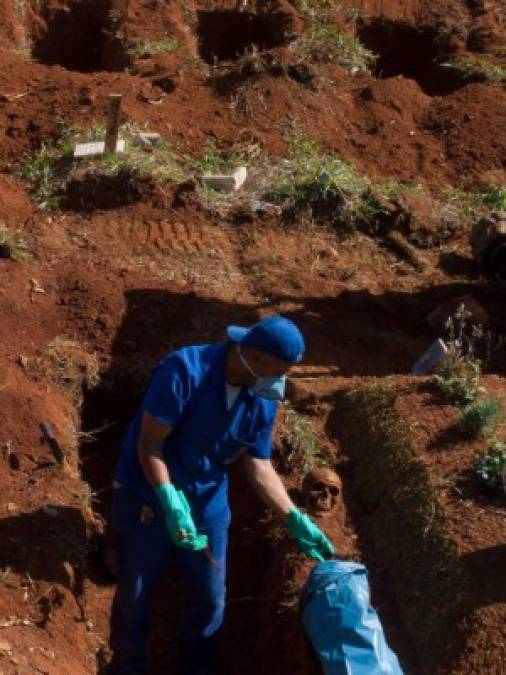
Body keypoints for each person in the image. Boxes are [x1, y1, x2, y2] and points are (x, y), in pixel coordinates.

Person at [110, 315, 335, 674]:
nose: (282, 381)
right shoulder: (184, 371)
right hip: (148, 493)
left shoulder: (262, 399)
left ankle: (196, 667)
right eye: (280, 371)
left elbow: (258, 466)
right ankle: (130, 667)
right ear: (256, 358)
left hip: (207, 498)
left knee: (211, 600)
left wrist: (293, 517)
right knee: (135, 594)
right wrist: (168, 498)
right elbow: (150, 446)